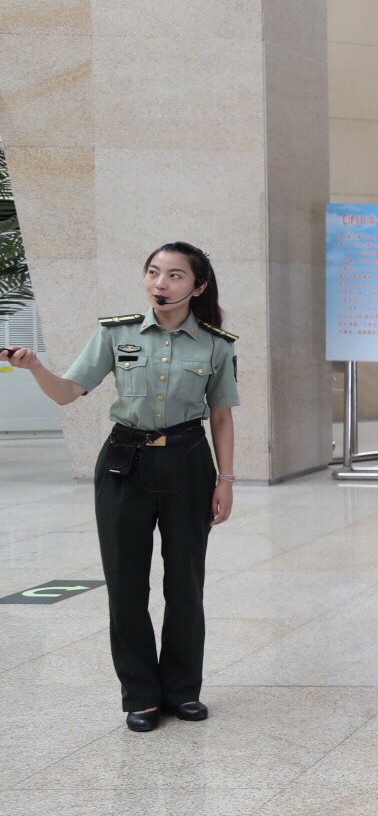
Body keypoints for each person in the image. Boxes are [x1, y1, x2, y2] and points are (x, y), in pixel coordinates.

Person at [6, 243, 238, 731]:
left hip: (188, 463)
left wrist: (226, 480)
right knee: (125, 585)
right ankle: (140, 695)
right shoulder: (116, 334)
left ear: (198, 287)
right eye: (153, 272)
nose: (160, 283)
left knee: (186, 583)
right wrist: (35, 367)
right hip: (123, 465)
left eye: (174, 275)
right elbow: (67, 393)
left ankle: (182, 691)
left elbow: (221, 416)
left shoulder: (216, 344)